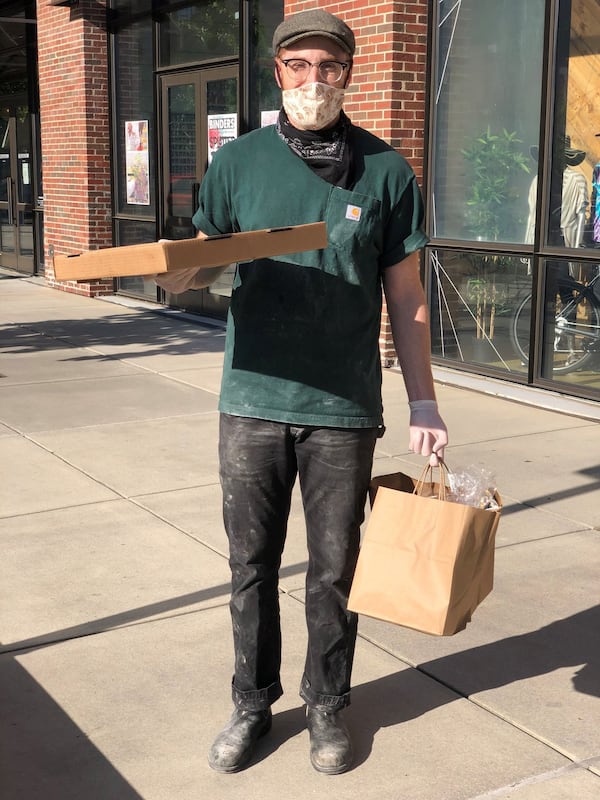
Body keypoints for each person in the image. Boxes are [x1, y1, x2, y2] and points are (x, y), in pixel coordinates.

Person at [154, 9, 448, 775]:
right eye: (299, 66)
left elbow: (407, 296)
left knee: (334, 567)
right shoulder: (238, 164)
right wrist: (173, 267)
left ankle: (327, 706)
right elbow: (193, 267)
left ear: (348, 72)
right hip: (252, 399)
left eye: (328, 65)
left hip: (342, 409)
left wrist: (423, 399)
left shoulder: (386, 172)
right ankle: (253, 703)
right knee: (250, 565)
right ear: (277, 73)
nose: (313, 80)